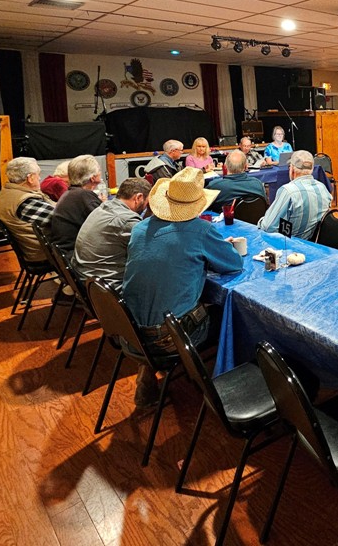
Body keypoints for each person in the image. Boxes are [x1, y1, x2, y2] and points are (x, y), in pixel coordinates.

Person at [123, 166, 242, 407]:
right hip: (172, 337)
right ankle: (232, 391)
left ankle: (147, 374)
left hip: (131, 331)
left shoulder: (138, 229)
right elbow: (233, 263)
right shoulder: (200, 230)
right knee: (232, 315)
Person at [72, 178, 152, 290]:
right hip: (106, 290)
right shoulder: (125, 220)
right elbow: (151, 248)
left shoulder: (104, 208)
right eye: (147, 202)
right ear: (138, 197)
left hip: (85, 279)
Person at [257, 150, 331, 240]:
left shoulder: (288, 191)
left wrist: (261, 222)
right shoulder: (323, 188)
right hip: (313, 244)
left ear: (291, 169)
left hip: (290, 245)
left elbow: (268, 227)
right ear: (311, 170)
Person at [0, 157, 55, 262]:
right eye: (38, 174)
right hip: (44, 254)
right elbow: (62, 218)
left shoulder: (7, 192)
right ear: (30, 178)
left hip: (29, 250)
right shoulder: (26, 202)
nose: (39, 178)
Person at [50, 155, 103, 258]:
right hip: (75, 257)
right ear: (93, 178)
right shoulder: (83, 197)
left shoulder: (72, 193)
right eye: (99, 170)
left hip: (63, 255)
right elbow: (108, 224)